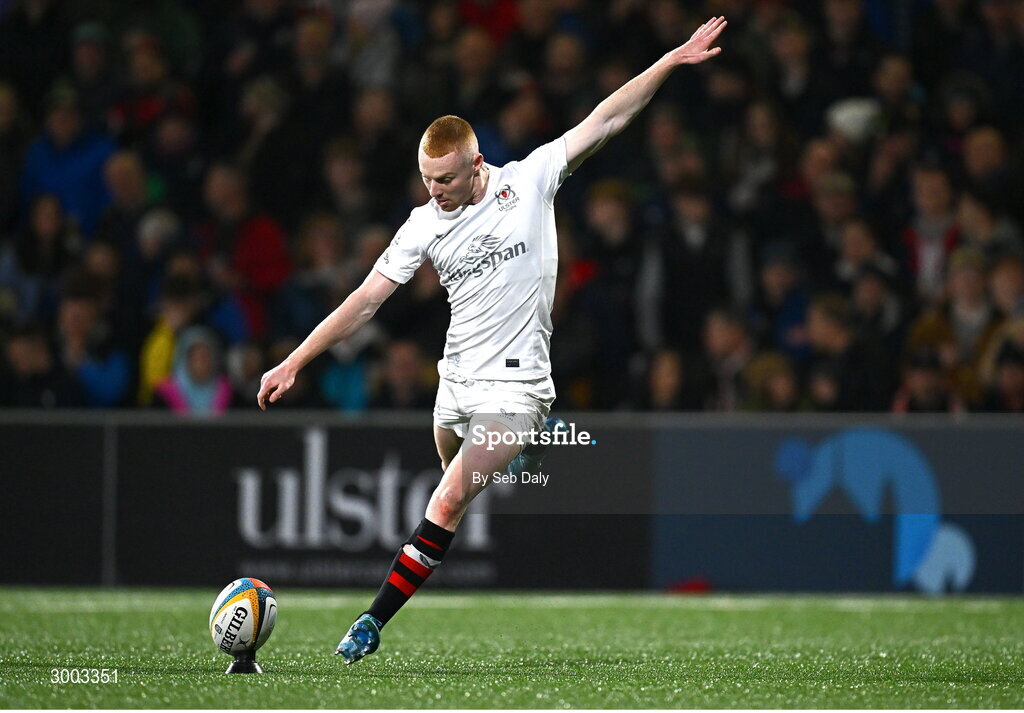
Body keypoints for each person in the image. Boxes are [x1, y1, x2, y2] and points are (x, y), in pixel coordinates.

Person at [256, 16, 729, 664]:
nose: (435, 191)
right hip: (456, 382)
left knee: (446, 499)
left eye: (445, 180)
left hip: (519, 387)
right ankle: (509, 461)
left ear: (477, 165)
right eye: (427, 179)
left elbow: (608, 118)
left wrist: (672, 59)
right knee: (449, 478)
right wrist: (294, 359)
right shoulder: (424, 223)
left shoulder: (530, 180)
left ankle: (370, 623)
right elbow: (366, 298)